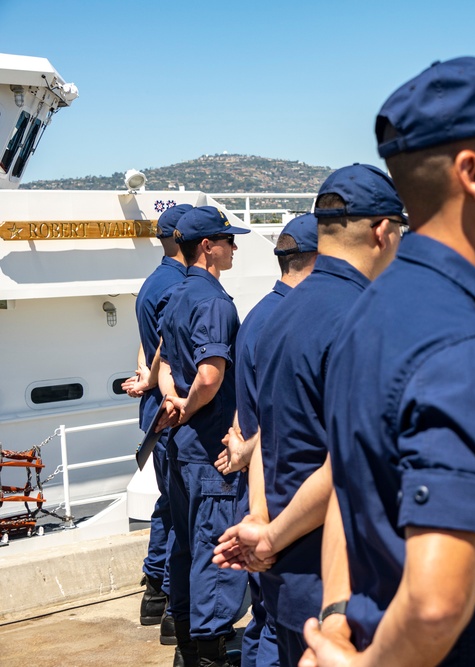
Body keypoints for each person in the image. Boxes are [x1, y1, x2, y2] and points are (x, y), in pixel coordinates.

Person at [299, 56, 475, 667]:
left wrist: (339, 615)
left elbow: (349, 490)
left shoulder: (367, 318)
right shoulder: (464, 343)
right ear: (473, 173)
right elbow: (435, 602)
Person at [215, 165, 405, 667]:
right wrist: (270, 536)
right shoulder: (366, 320)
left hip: (281, 573)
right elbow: (346, 467)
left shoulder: (277, 317)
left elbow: (263, 438)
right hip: (340, 588)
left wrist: (259, 520)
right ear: (384, 231)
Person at [220, 213, 319, 667]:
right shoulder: (298, 320)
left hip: (258, 489)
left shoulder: (259, 315)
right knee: (283, 632)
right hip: (291, 494)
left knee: (265, 620)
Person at [156, 205, 250, 667]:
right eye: (229, 239)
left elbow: (167, 364)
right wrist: (189, 409)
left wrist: (173, 401)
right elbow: (211, 377)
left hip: (179, 450)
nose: (235, 247)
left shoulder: (176, 295)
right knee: (215, 542)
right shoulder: (214, 301)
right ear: (208, 247)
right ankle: (211, 649)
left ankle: (189, 642)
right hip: (208, 445)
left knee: (184, 541)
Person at [122, 202, 191, 642]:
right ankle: (172, 604)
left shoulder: (153, 282)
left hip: (155, 409)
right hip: (175, 407)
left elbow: (148, 344)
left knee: (168, 504)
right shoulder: (181, 286)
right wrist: (158, 379)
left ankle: (155, 591)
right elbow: (168, 340)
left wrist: (146, 373)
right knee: (183, 511)